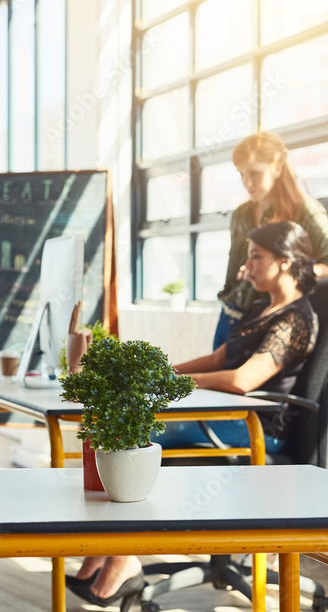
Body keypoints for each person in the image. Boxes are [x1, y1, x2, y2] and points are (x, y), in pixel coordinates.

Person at [69, 221, 319, 608]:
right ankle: (104, 552)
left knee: (135, 440)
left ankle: (122, 559)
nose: (246, 265)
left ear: (285, 261)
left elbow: (241, 379)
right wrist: (165, 372)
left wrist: (181, 384)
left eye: (256, 256)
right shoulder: (260, 307)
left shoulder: (296, 319)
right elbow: (221, 357)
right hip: (230, 420)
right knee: (117, 434)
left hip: (258, 427)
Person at [214, 131, 328, 348]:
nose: (247, 183)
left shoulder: (307, 211)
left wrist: (301, 271)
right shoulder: (241, 214)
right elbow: (232, 269)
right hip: (231, 315)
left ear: (278, 166)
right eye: (241, 174)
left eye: (255, 174)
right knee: (206, 380)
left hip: (270, 321)